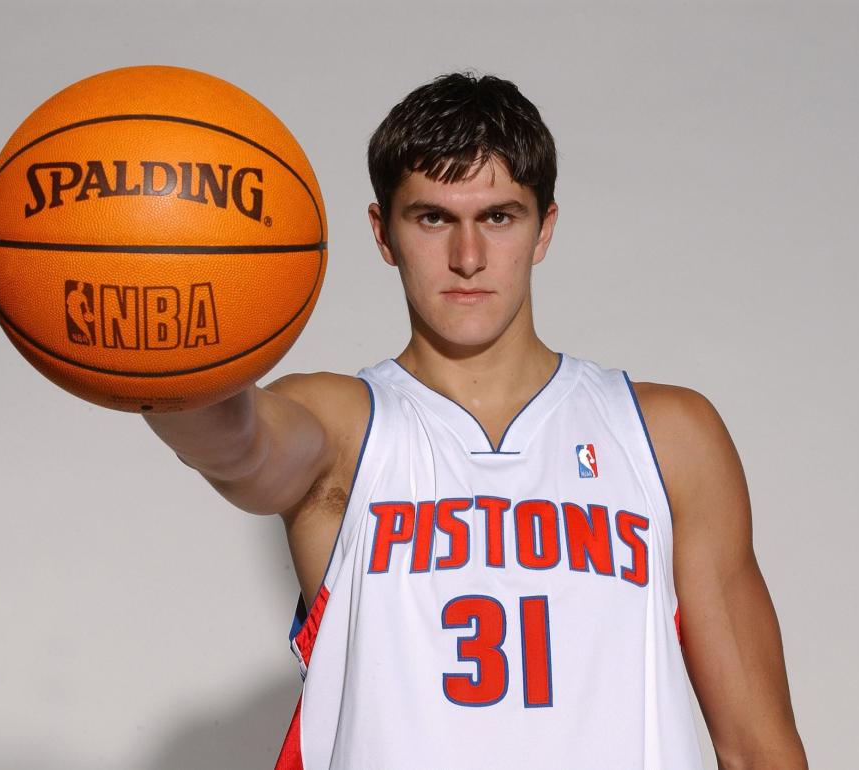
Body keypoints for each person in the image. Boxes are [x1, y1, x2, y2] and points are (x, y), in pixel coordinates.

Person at [144, 73, 808, 770]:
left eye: (499, 216)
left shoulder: (668, 438)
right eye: (433, 218)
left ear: (544, 228)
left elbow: (760, 747)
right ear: (383, 233)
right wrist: (155, 356)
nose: (468, 258)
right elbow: (234, 446)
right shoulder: (344, 428)